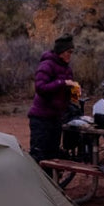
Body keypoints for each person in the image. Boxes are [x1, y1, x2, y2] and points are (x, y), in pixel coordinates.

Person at [28, 34, 79, 164]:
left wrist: (74, 92)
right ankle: (34, 183)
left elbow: (64, 91)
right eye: (69, 52)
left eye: (72, 52)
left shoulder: (67, 69)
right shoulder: (47, 65)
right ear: (61, 52)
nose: (70, 55)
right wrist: (62, 83)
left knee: (52, 155)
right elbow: (40, 87)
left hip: (56, 118)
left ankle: (50, 183)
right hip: (41, 118)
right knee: (39, 155)